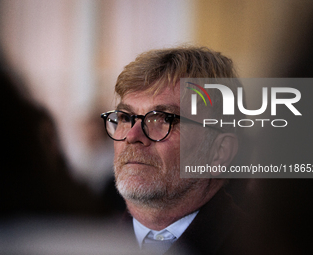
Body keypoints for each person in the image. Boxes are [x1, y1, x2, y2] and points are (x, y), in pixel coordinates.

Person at [101, 46, 247, 255]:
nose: (132, 136)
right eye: (125, 117)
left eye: (163, 119)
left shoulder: (263, 247)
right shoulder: (83, 243)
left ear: (219, 151)